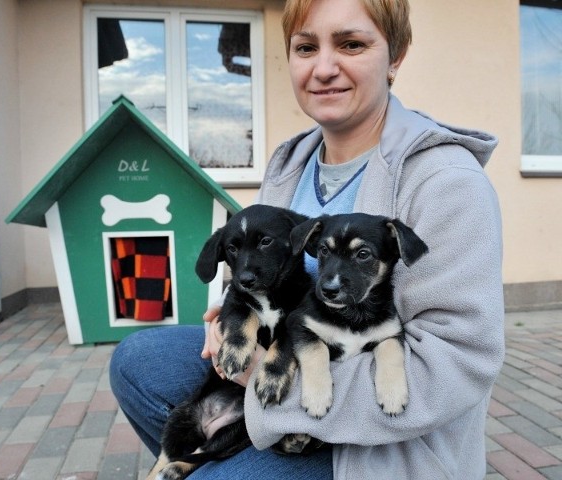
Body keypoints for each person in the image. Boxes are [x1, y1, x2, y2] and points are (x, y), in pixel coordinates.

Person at [110, 0, 505, 478]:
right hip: (280, 370)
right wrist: (231, 316)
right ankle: (214, 452)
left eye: (351, 44)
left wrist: (274, 381)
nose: (323, 68)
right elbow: (260, 274)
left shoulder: (446, 182)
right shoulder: (289, 166)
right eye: (305, 47)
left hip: (374, 442)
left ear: (395, 56)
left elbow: (455, 365)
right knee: (136, 359)